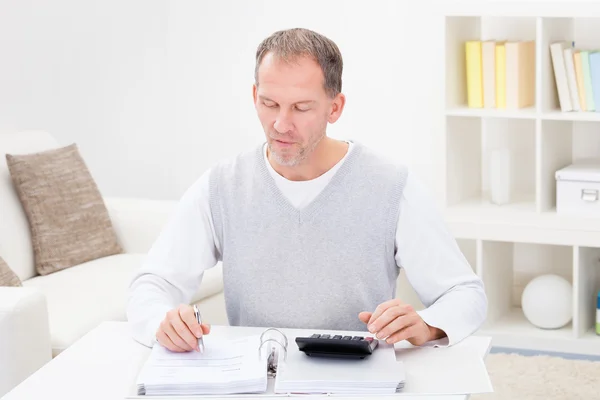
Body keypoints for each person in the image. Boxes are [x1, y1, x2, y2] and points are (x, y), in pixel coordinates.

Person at [126, 28, 487, 353]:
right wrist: (162, 321)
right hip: (255, 381)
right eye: (269, 103)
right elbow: (153, 283)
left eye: (301, 108)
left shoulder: (391, 186)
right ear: (254, 96)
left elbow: (464, 293)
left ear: (335, 107)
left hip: (358, 379)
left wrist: (427, 326)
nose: (281, 124)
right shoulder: (221, 186)